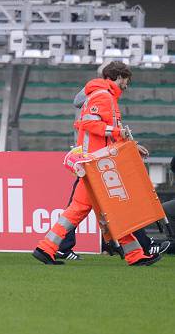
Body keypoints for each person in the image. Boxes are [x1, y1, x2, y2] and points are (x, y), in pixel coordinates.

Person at [33, 61, 162, 266]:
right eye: (126, 81)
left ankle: (46, 247)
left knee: (84, 210)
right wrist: (119, 133)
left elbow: (106, 129)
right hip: (97, 163)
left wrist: (132, 145)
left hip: (95, 163)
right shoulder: (103, 96)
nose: (127, 86)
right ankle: (134, 255)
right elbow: (90, 124)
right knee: (113, 208)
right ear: (118, 77)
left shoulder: (103, 95)